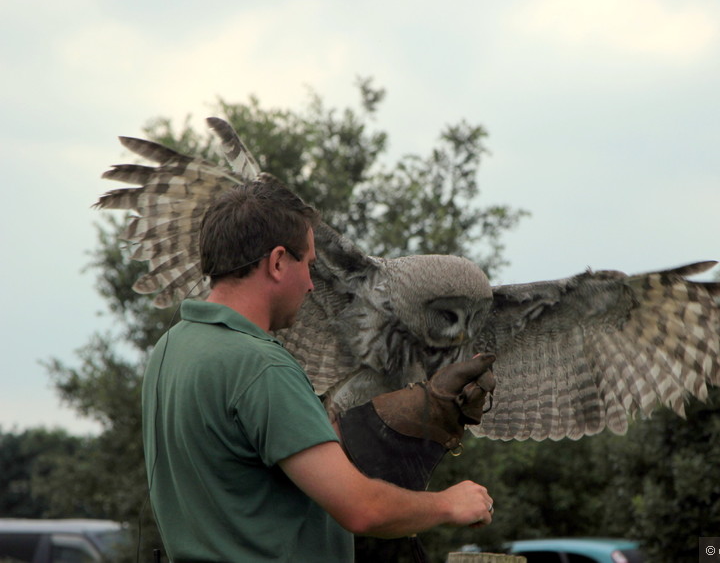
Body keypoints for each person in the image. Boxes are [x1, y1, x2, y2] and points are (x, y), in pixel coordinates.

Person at [142, 178, 495, 562]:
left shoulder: (171, 348)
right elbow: (362, 509)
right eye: (308, 265)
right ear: (278, 262)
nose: (311, 284)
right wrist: (447, 504)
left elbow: (255, 470)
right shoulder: (261, 367)